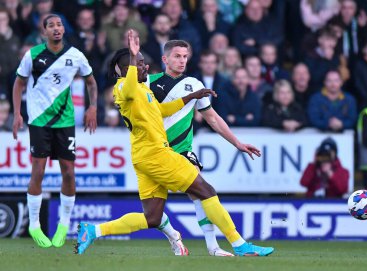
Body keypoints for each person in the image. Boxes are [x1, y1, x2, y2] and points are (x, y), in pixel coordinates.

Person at [75, 30, 274, 257]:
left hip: (144, 157)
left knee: (153, 218)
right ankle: (239, 244)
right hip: (157, 153)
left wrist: (192, 96)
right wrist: (132, 57)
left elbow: (162, 109)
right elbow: (129, 86)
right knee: (206, 191)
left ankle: (93, 230)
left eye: (184, 56)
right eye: (140, 64)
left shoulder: (142, 90)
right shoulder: (125, 87)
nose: (145, 67)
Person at [148, 41, 260, 256]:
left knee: (201, 193)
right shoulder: (148, 83)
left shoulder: (194, 84)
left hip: (182, 150)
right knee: (153, 214)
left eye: (184, 56)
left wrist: (238, 143)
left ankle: (214, 246)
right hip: (155, 152)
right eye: (177, 56)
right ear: (165, 59)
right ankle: (174, 237)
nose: (182, 61)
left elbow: (213, 118)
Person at [12, 14, 98, 248]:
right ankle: (34, 224)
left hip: (65, 121)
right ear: (44, 32)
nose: (57, 28)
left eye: (60, 24)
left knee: (69, 172)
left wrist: (92, 107)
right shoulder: (33, 55)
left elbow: (91, 81)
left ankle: (64, 224)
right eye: (51, 26)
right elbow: (19, 83)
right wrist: (17, 113)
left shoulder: (75, 55)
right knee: (38, 169)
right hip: (39, 120)